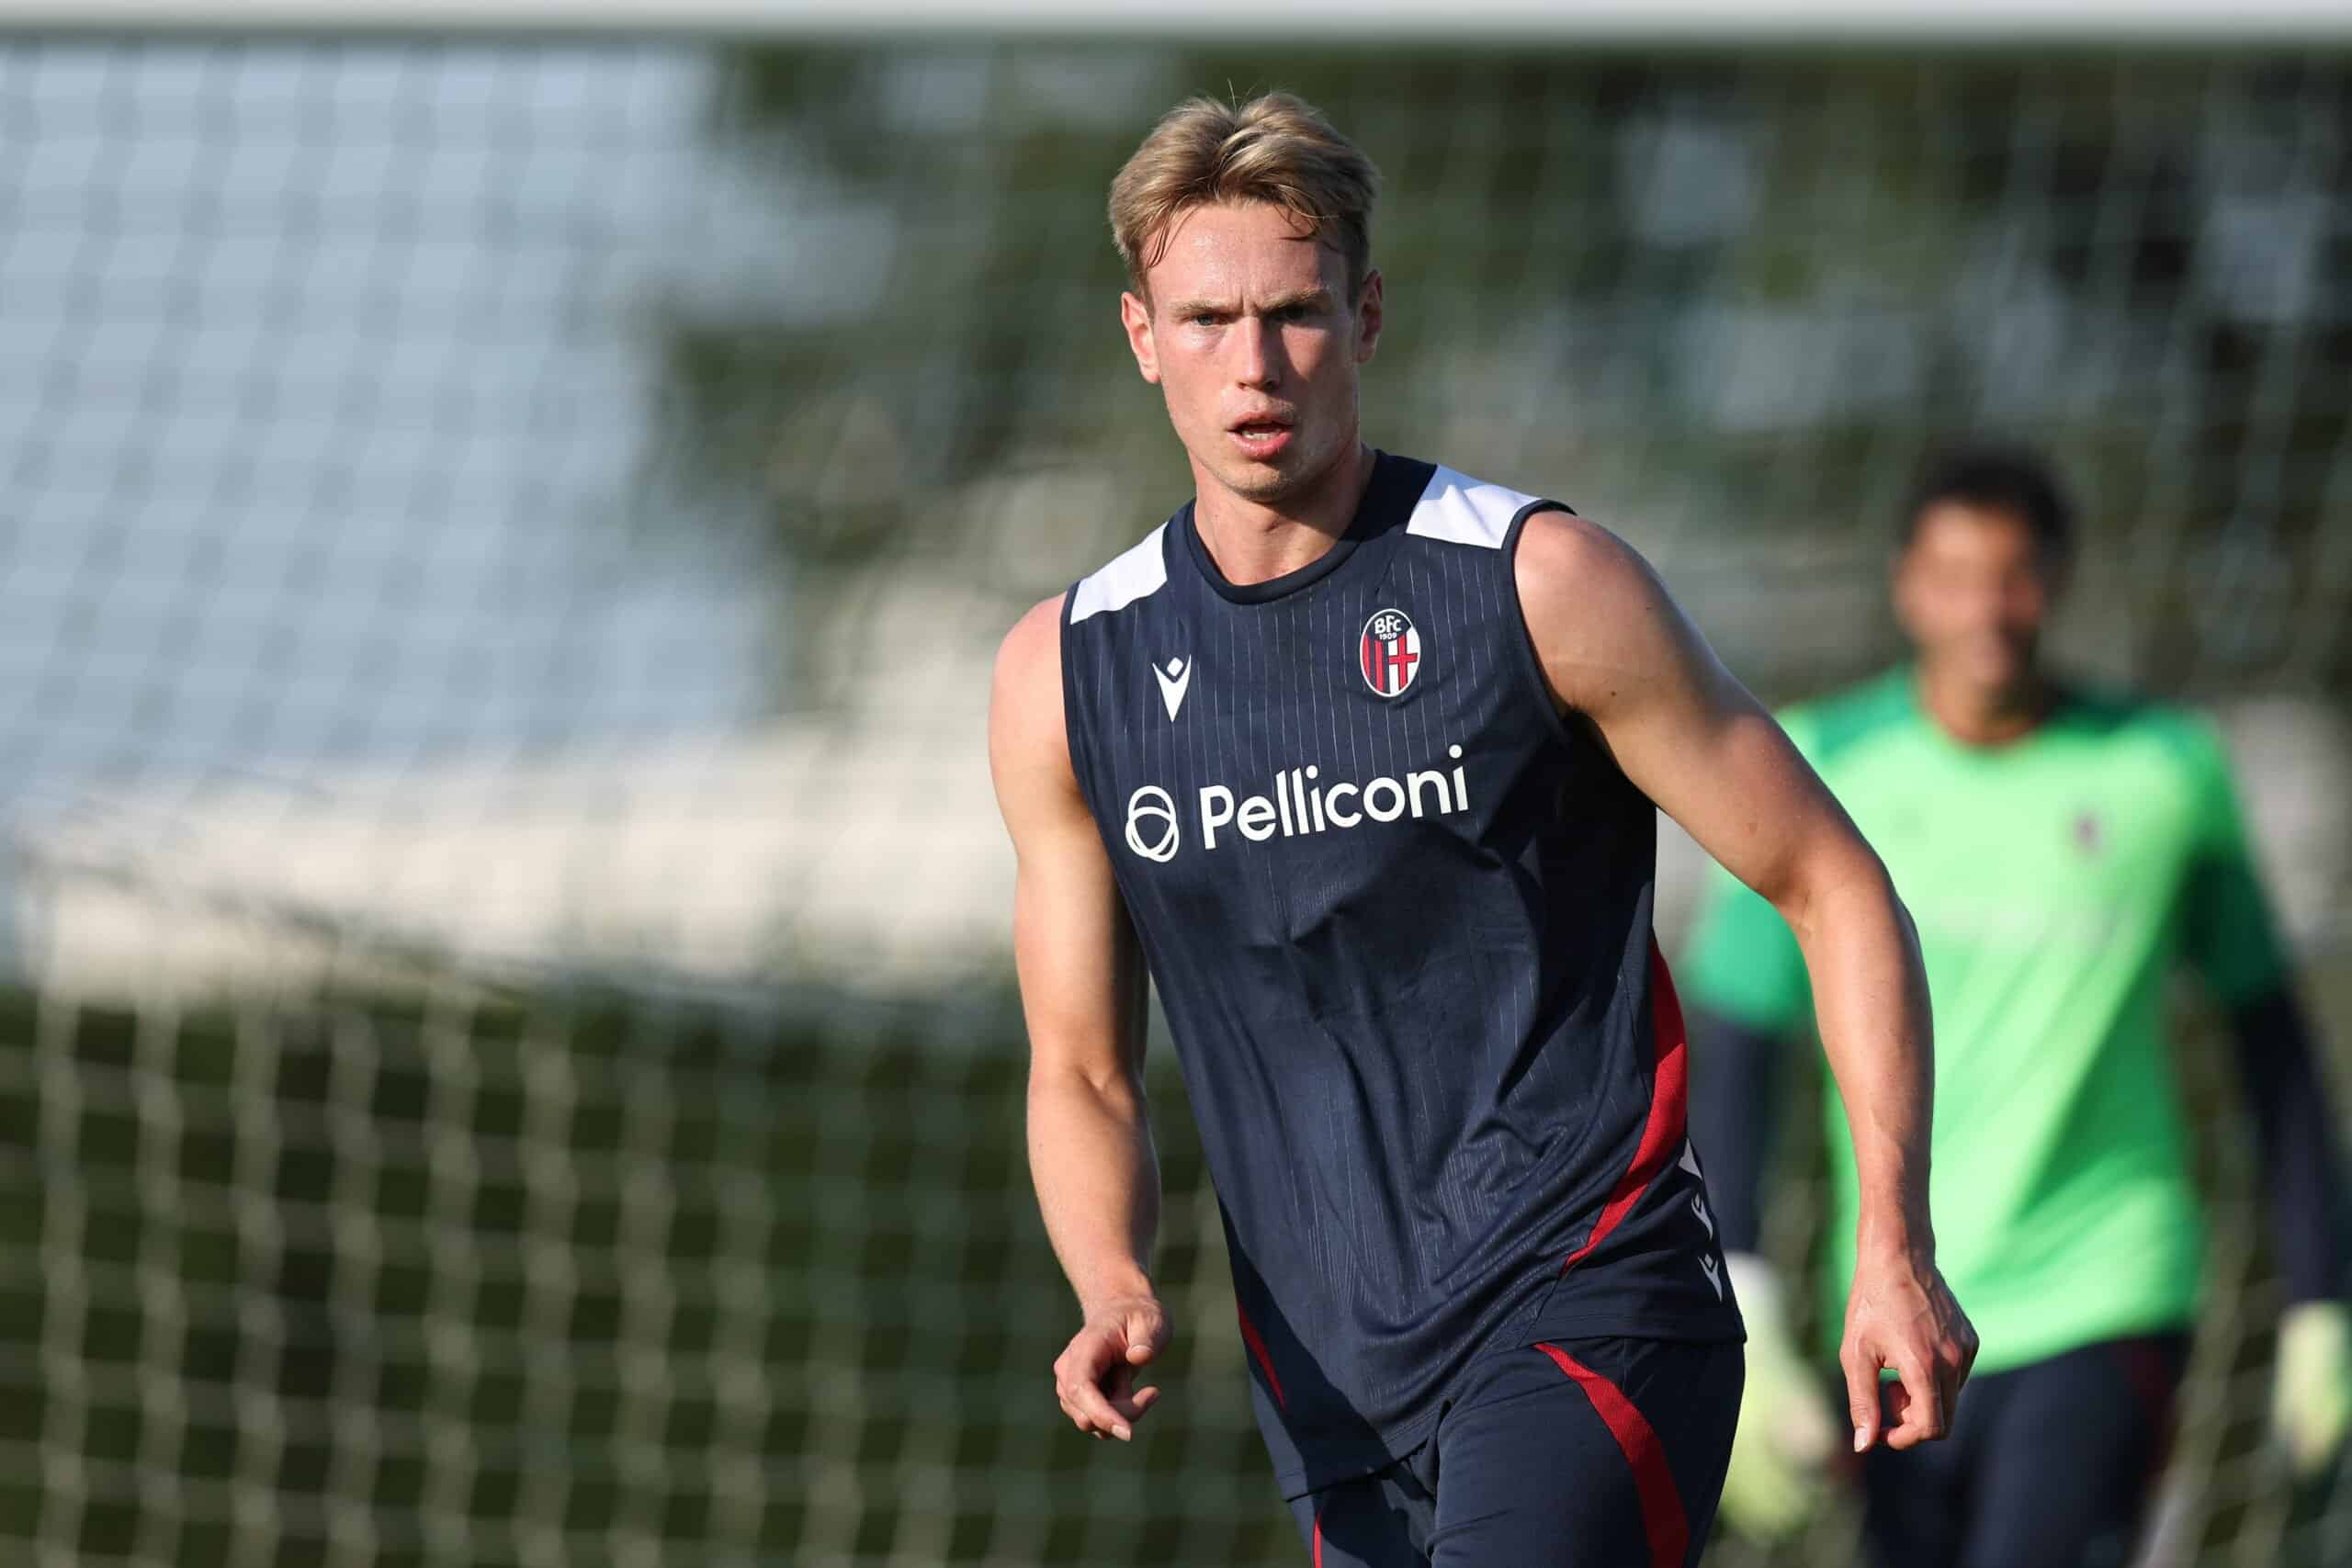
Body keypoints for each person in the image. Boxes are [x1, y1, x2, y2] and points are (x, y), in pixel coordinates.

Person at [986, 91, 1975, 1568]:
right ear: (1142, 334)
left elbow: (1833, 884)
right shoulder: (1067, 676)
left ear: (1367, 316)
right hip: (1331, 1386)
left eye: (1295, 313)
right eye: (1206, 321)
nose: (1254, 364)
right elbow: (1079, 1065)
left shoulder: (1538, 583)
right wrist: (1111, 1273)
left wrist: (1894, 1240)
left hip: (1593, 1295)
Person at [1683, 446, 2352, 1567]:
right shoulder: (1816, 763)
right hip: (1890, 1301)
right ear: (1906, 587)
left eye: (2015, 577)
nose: (1986, 612)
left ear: (2055, 580)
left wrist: (2321, 1300)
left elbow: (2269, 1045)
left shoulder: (2164, 773)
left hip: (2106, 1290)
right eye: (1955, 578)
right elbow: (1736, 1045)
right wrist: (1740, 1297)